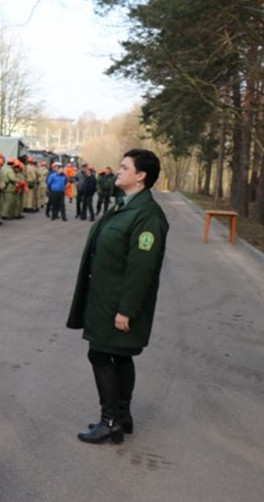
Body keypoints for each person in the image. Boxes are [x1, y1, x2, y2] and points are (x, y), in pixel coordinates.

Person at [67, 149, 169, 445]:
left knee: (100, 353)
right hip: (105, 299)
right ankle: (122, 417)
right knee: (119, 355)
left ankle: (110, 420)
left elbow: (142, 269)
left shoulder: (147, 215)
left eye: (125, 168)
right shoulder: (126, 206)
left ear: (141, 176)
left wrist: (126, 310)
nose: (118, 171)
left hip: (117, 302)